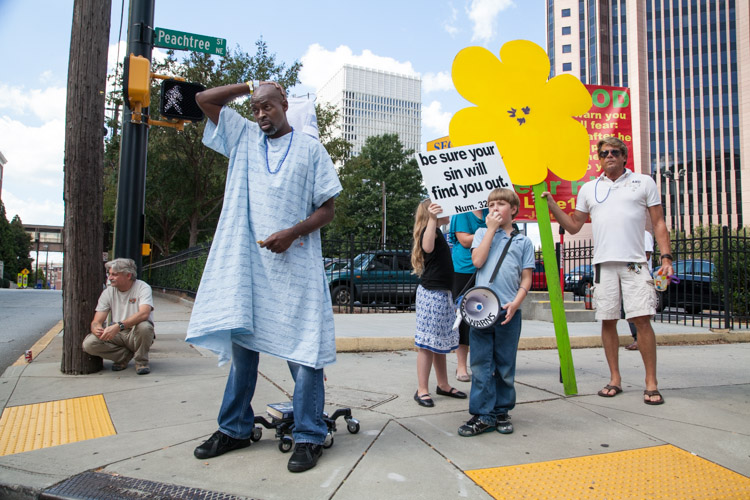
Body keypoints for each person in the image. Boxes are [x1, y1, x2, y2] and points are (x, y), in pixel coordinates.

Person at [187, 80, 342, 473]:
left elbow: (328, 209)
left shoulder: (311, 149)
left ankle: (308, 435)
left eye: (267, 107)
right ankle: (234, 428)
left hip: (296, 270)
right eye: (255, 109)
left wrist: (292, 233)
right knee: (243, 350)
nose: (260, 115)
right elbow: (203, 99)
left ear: (284, 105)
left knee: (305, 354)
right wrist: (248, 87)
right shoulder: (243, 138)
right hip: (250, 269)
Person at [542, 136, 673, 405]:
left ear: (624, 156)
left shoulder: (644, 182)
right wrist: (553, 205)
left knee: (642, 320)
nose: (609, 156)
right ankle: (615, 379)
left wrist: (666, 257)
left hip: (635, 263)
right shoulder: (589, 189)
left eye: (614, 152)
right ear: (598, 159)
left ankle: (651, 383)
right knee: (608, 320)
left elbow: (658, 222)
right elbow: (575, 225)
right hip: (603, 265)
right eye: (603, 153)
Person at [457, 188, 534, 437]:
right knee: (480, 364)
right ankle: (483, 413)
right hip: (482, 309)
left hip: (508, 309)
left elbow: (526, 278)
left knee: (505, 365)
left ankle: (502, 410)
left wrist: (516, 303)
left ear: (513, 209)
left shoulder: (524, 242)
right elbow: (478, 261)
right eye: (491, 204)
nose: (494, 208)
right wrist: (490, 229)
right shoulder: (481, 233)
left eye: (500, 204)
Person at [411, 199, 466, 407]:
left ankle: (442, 384)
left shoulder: (440, 233)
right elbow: (427, 247)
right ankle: (421, 389)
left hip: (443, 294)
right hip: (431, 295)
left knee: (439, 343)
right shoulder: (429, 231)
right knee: (427, 344)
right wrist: (433, 218)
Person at [83, 258, 155, 375]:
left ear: (128, 275)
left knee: (145, 327)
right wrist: (96, 328)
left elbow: (144, 313)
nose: (110, 278)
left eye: (114, 275)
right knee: (89, 344)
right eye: (109, 274)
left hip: (135, 333)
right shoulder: (108, 292)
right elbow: (97, 321)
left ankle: (141, 361)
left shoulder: (143, 287)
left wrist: (119, 326)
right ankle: (123, 356)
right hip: (118, 334)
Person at [449, 209, 487, 382]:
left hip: (487, 268)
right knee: (463, 318)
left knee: (485, 316)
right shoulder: (461, 212)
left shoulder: (489, 210)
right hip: (464, 269)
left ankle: (482, 363)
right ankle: (461, 365)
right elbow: (464, 241)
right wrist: (490, 231)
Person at [625, 231, 655, 351]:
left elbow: (646, 255)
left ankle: (640, 340)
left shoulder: (644, 234)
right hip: (630, 275)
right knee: (631, 310)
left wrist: (632, 269)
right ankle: (637, 338)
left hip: (639, 274)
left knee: (640, 310)